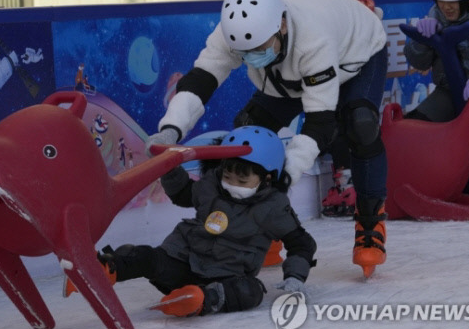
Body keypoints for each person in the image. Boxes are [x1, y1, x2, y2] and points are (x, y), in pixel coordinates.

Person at [146, 0, 389, 277]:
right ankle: (255, 230)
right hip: (290, 65)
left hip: (357, 53)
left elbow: (320, 123)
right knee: (248, 134)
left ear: (282, 26)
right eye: (243, 52)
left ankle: (369, 223)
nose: (250, 58)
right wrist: (170, 129)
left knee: (359, 123)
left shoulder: (313, 40)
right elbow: (201, 79)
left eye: (257, 49)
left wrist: (286, 176)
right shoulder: (234, 31)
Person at [68, 126, 317, 317]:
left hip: (226, 278)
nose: (231, 185)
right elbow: (182, 193)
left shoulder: (273, 207)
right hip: (183, 263)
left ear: (268, 178)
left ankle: (199, 301)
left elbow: (301, 244)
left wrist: (295, 274)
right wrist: (167, 165)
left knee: (252, 292)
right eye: (227, 176)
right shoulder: (212, 185)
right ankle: (103, 270)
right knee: (145, 256)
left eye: (242, 182)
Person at [271, 0, 382, 217]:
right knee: (326, 121)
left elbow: (370, 21)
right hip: (322, 68)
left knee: (355, 121)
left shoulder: (356, 4)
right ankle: (341, 182)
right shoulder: (307, 0)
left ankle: (358, 191)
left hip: (352, 66)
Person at [403, 0, 469, 195]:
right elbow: (418, 61)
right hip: (451, 88)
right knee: (417, 126)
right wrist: (422, 40)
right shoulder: (437, 13)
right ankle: (425, 182)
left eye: (453, 3)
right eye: (441, 2)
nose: (445, 8)